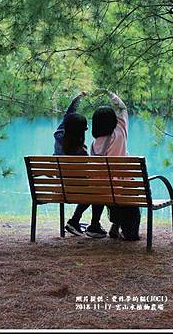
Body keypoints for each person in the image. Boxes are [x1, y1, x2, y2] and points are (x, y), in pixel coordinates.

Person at [53, 91, 106, 238]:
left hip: (62, 189)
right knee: (100, 189)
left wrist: (78, 98)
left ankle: (76, 222)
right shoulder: (81, 153)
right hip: (79, 192)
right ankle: (92, 225)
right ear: (82, 132)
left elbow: (68, 117)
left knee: (94, 189)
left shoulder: (59, 137)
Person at [90, 89, 140, 241]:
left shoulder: (94, 144)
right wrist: (109, 93)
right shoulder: (119, 133)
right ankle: (121, 227)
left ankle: (115, 225)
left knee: (113, 191)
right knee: (125, 189)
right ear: (114, 121)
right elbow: (123, 108)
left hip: (102, 190)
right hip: (120, 188)